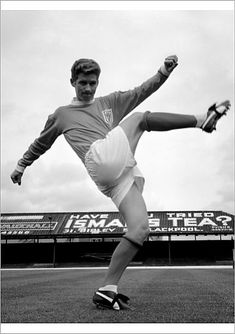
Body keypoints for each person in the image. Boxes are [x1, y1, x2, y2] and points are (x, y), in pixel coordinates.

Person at [11, 56, 231, 310]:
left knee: (140, 228)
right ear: (72, 82)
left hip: (116, 176)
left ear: (97, 82)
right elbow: (42, 142)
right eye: (82, 83)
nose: (88, 88)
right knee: (139, 119)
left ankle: (107, 290)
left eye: (92, 83)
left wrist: (162, 72)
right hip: (98, 158)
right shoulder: (62, 115)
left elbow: (141, 91)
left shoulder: (110, 102)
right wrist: (21, 165)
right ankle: (201, 119)